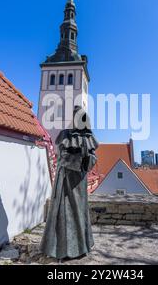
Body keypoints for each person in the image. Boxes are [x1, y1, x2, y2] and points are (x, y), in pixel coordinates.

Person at [40, 106, 98, 260]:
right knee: (64, 215)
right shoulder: (65, 135)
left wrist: (88, 161)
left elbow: (93, 158)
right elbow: (62, 157)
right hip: (65, 182)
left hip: (79, 182)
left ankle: (81, 247)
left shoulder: (88, 138)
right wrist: (79, 161)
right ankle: (61, 250)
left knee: (80, 214)